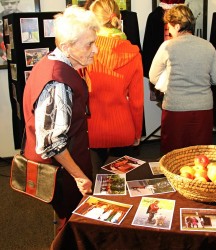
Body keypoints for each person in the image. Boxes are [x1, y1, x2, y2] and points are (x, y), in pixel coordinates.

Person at [22, 6, 100, 232]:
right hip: (63, 172)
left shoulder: (53, 64)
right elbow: (51, 143)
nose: (95, 50)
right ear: (67, 46)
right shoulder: (58, 80)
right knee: (72, 225)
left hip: (63, 168)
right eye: (89, 44)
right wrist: (80, 177)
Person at [149, 4, 216, 154]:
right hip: (203, 109)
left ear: (177, 26)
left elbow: (153, 77)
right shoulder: (208, 46)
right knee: (200, 155)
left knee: (173, 155)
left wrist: (168, 86)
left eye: (169, 27)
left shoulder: (167, 46)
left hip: (175, 108)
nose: (169, 31)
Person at [79, 0, 144, 177]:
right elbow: (137, 102)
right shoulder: (133, 53)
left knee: (92, 187)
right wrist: (137, 134)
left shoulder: (83, 51)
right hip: (123, 129)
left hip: (91, 129)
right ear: (119, 18)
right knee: (121, 188)